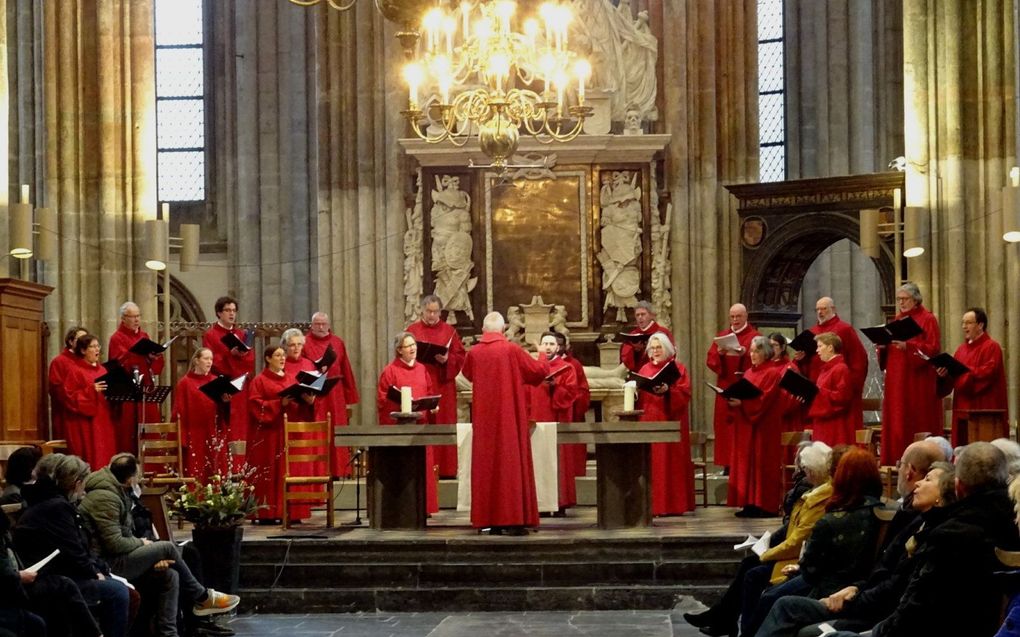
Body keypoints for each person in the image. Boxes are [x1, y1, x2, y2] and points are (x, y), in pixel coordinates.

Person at [755, 459, 958, 637]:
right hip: (857, 592)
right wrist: (856, 588)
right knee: (782, 601)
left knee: (782, 604)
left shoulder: (937, 534)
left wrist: (853, 598)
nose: (919, 483)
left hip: (873, 612)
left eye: (929, 479)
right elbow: (882, 571)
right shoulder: (916, 522)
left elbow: (895, 588)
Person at [78, 453, 239, 636]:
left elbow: (127, 533)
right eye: (138, 477)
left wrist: (150, 554)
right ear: (130, 479)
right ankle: (202, 597)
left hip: (123, 554)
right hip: (109, 563)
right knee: (167, 548)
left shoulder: (117, 493)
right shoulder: (105, 498)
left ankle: (169, 634)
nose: (140, 481)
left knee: (170, 575)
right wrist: (144, 545)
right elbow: (115, 543)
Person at [684, 442, 834, 636]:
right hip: (792, 553)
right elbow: (791, 528)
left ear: (813, 470)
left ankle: (742, 628)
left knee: (753, 574)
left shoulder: (817, 498)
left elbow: (798, 540)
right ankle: (724, 619)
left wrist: (766, 553)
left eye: (804, 468)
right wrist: (767, 543)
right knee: (749, 564)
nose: (801, 471)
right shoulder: (810, 492)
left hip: (798, 560)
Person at [741, 447, 883, 636]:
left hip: (833, 591)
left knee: (778, 600)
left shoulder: (831, 518)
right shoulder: (886, 513)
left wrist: (794, 565)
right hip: (863, 587)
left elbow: (811, 569)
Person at [14, 454, 130, 637]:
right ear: (77, 483)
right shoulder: (57, 507)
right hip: (50, 577)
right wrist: (95, 572)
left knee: (152, 580)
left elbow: (79, 547)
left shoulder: (52, 503)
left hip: (61, 572)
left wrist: (98, 570)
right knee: (118, 592)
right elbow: (74, 551)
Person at [461, 312, 549, 535]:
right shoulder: (511, 350)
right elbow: (538, 373)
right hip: (509, 419)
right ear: (503, 330)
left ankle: (490, 519)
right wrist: (541, 355)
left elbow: (467, 373)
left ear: (483, 330)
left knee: (487, 467)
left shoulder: (475, 352)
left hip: (484, 421)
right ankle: (513, 518)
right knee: (510, 465)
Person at [877, 282, 941, 465]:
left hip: (917, 382)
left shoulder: (927, 319)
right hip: (896, 381)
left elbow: (933, 348)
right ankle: (895, 459)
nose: (901, 303)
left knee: (914, 419)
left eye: (905, 299)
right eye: (899, 299)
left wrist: (909, 346)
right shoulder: (897, 320)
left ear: (915, 299)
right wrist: (883, 346)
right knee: (896, 421)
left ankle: (918, 462)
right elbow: (889, 349)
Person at [377, 331, 439, 514]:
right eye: (408, 346)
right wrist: (400, 404)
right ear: (399, 350)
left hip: (420, 427)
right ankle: (403, 507)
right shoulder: (390, 371)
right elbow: (382, 400)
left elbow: (429, 391)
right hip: (400, 430)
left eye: (414, 345)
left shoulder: (422, 369)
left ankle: (424, 506)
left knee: (423, 466)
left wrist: (433, 406)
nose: (413, 348)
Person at [405, 296, 465, 479]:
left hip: (442, 385)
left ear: (440, 312)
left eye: (436, 312)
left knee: (443, 423)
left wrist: (448, 360)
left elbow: (461, 357)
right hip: (419, 383)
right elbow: (402, 353)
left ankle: (446, 469)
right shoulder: (412, 331)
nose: (432, 315)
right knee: (422, 424)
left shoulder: (449, 331)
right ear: (422, 311)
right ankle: (420, 469)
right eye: (429, 311)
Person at [636, 332, 694, 515]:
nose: (655, 351)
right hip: (649, 419)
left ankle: (672, 505)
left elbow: (685, 393)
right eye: (652, 348)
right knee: (651, 464)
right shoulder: (644, 369)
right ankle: (652, 506)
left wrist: (669, 390)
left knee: (671, 463)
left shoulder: (678, 368)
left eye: (659, 347)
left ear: (667, 348)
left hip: (670, 419)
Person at [727, 335, 783, 517]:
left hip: (764, 426)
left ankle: (765, 506)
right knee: (748, 464)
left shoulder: (772, 373)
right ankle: (749, 503)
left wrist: (742, 404)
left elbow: (763, 400)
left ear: (766, 352)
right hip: (746, 425)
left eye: (757, 351)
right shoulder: (749, 372)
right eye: (751, 351)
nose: (752, 354)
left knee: (762, 464)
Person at [936, 307, 1007, 445]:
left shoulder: (992, 347)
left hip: (983, 406)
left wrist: (965, 372)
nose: (964, 326)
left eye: (968, 323)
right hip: (962, 405)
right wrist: (943, 375)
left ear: (980, 325)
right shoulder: (961, 350)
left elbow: (989, 372)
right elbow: (953, 379)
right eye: (963, 323)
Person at [796, 297, 868, 429]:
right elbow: (808, 363)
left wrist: (852, 387)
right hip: (817, 389)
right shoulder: (812, 332)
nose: (820, 312)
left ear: (833, 309)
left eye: (823, 308)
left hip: (838, 387)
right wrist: (802, 360)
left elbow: (859, 359)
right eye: (817, 309)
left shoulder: (844, 329)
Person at [302, 311, 360, 477]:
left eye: (323, 324)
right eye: (317, 324)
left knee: (336, 430)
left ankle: (338, 470)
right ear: (311, 326)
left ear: (328, 325)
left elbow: (345, 368)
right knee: (318, 431)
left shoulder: (337, 342)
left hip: (335, 393)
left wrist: (349, 397)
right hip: (315, 394)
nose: (320, 327)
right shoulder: (305, 343)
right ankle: (317, 470)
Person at [528, 332, 579, 514]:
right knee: (539, 461)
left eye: (551, 344)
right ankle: (541, 504)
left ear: (558, 347)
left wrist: (555, 386)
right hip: (537, 420)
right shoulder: (534, 368)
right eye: (544, 344)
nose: (548, 347)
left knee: (557, 461)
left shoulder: (566, 369)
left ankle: (559, 504)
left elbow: (572, 394)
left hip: (557, 420)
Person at [247, 345, 298, 524]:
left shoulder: (291, 379)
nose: (282, 358)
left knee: (287, 470)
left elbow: (296, 405)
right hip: (267, 435)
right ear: (268, 358)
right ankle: (266, 513)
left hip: (286, 431)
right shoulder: (259, 381)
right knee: (268, 471)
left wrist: (306, 398)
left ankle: (289, 511)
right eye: (278, 355)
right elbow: (255, 405)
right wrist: (279, 403)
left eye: (283, 355)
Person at [707, 303, 761, 470]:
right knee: (724, 427)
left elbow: (763, 360)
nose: (735, 320)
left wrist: (746, 353)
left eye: (739, 316)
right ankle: (727, 465)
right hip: (725, 386)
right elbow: (711, 361)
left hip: (744, 388)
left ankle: (742, 463)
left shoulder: (755, 336)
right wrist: (720, 355)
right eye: (732, 317)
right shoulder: (723, 336)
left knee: (742, 426)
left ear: (746, 317)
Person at [107, 301, 165, 456]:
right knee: (128, 435)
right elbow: (118, 364)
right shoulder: (116, 338)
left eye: (138, 316)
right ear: (123, 318)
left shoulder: (144, 336)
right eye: (132, 317)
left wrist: (153, 357)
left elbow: (157, 366)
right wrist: (138, 355)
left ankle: (153, 470)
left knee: (150, 431)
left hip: (145, 390)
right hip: (128, 394)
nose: (137, 320)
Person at [202, 296, 255, 445]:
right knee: (224, 427)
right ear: (219, 313)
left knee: (241, 426)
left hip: (241, 387)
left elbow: (250, 361)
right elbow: (210, 360)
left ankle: (240, 462)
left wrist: (242, 355)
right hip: (223, 386)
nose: (231, 314)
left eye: (233, 310)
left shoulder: (241, 334)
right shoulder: (211, 334)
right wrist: (229, 355)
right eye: (227, 310)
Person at [172, 347, 228, 481]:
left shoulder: (216, 381)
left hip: (212, 432)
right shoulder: (185, 383)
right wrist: (182, 438)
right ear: (196, 361)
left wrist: (225, 402)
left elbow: (222, 411)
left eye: (211, 359)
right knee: (195, 470)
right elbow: (179, 411)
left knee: (213, 471)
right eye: (206, 358)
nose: (209, 362)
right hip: (194, 434)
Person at [60, 334, 116, 468]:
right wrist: (91, 390)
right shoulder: (75, 370)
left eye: (98, 346)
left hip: (104, 417)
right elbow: (69, 397)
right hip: (86, 422)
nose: (97, 349)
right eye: (92, 346)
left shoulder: (102, 370)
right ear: (83, 350)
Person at [804, 332, 854, 446]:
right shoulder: (825, 369)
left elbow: (843, 397)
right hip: (822, 423)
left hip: (834, 425)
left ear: (830, 347)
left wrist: (817, 392)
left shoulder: (841, 368)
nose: (817, 350)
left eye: (820, 346)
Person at [48, 325, 87, 441]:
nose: (84, 344)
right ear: (70, 341)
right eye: (80, 340)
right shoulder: (59, 361)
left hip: (84, 412)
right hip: (66, 414)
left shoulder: (85, 360)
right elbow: (56, 389)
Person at [620, 301, 674, 372]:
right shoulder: (633, 335)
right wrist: (635, 350)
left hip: (660, 372)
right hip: (640, 373)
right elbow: (626, 361)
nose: (640, 317)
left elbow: (671, 354)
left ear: (651, 315)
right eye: (637, 315)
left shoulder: (663, 332)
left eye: (643, 314)